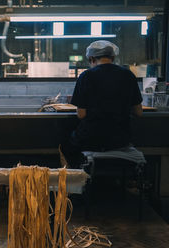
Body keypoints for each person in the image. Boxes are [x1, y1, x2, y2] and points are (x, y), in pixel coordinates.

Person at [60, 40, 143, 168]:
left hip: (91, 140)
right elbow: (138, 112)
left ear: (92, 59)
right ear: (113, 57)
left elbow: (81, 114)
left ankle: (79, 181)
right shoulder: (128, 75)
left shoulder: (86, 76)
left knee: (65, 146)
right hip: (121, 140)